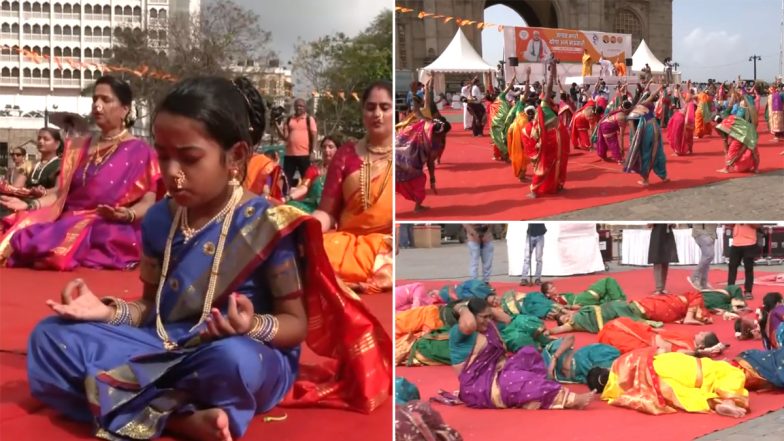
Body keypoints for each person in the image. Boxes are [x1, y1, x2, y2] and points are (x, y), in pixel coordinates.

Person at [25, 76, 391, 441]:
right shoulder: (157, 220)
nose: (171, 173)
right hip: (164, 343)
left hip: (239, 352)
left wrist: (250, 326)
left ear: (235, 157)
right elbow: (151, 308)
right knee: (50, 339)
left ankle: (129, 397)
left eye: (189, 158)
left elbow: (294, 325)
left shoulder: (265, 222)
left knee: (232, 362)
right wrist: (107, 312)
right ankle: (179, 420)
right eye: (164, 157)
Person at [0, 75, 160, 270]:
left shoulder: (141, 151)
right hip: (66, 219)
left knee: (105, 236)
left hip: (109, 224)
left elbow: (148, 201)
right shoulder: (78, 148)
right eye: (95, 100)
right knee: (17, 227)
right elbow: (60, 194)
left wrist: (127, 214)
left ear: (125, 109)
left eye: (106, 100)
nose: (97, 106)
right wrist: (29, 205)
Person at [311, 81, 393, 294]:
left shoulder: (406, 153)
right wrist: (305, 230)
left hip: (389, 245)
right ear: (362, 111)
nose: (377, 114)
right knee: (305, 251)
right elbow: (327, 212)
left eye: (385, 107)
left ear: (395, 111)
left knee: (389, 257)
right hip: (348, 246)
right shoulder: (346, 154)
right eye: (370, 107)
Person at [450, 298, 595, 410]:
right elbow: (469, 324)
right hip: (478, 386)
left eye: (489, 316)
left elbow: (506, 318)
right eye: (484, 317)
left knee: (529, 353)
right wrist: (462, 306)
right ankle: (571, 400)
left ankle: (530, 397)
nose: (488, 320)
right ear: (470, 315)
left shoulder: (488, 326)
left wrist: (484, 308)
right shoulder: (459, 333)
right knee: (517, 380)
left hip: (497, 372)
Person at [589, 349, 749, 418]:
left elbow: (646, 403)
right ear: (605, 369)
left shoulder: (617, 396)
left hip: (662, 385)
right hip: (670, 365)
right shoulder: (622, 361)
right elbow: (658, 350)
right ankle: (728, 398)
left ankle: (715, 402)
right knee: (730, 371)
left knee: (686, 396)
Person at [396, 79, 449, 212]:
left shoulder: (429, 129)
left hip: (407, 161)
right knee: (418, 180)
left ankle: (417, 205)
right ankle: (417, 206)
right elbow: (417, 109)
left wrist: (427, 89)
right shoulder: (424, 124)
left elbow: (425, 103)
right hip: (406, 159)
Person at [525, 58, 568, 198]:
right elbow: (549, 86)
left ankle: (556, 185)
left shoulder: (549, 108)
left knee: (557, 164)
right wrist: (552, 69)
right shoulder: (543, 106)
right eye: (550, 97)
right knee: (546, 165)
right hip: (549, 140)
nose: (552, 98)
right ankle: (535, 189)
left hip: (556, 140)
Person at [0, 128, 63, 218]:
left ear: (57, 144)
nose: (41, 141)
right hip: (24, 205)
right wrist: (6, 187)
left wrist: (44, 192)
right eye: (39, 138)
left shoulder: (62, 164)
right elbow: (17, 187)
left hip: (47, 210)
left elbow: (59, 189)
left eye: (46, 139)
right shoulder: (31, 165)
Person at [597, 317, 723, 356]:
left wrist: (704, 352)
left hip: (647, 346)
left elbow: (683, 354)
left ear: (701, 345)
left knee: (613, 336)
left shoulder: (689, 348)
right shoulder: (689, 338)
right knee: (621, 322)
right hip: (648, 334)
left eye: (702, 335)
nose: (700, 332)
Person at [624, 88, 669, 186]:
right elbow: (652, 96)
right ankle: (664, 176)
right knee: (658, 151)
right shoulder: (640, 105)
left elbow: (634, 134)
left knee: (644, 154)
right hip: (655, 127)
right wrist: (660, 87)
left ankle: (645, 179)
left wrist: (633, 147)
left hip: (647, 131)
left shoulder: (631, 116)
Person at [285, 135, 338, 213]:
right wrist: (288, 198)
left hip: (334, 209)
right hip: (311, 207)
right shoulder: (314, 169)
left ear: (338, 149)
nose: (326, 150)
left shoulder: (343, 170)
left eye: (330, 147)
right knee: (288, 207)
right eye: (324, 147)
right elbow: (304, 187)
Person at [541, 335, 620, 384]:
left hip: (588, 355)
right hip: (588, 374)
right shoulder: (541, 371)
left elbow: (570, 337)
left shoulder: (551, 347)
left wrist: (555, 358)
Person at [275, 98, 318, 187]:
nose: (299, 108)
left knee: (306, 179)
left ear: (305, 108)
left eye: (301, 106)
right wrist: (277, 126)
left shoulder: (309, 119)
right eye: (297, 106)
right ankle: (284, 197)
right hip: (290, 155)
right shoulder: (289, 119)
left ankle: (307, 197)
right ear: (294, 107)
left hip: (304, 155)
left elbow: (314, 136)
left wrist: (313, 152)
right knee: (286, 179)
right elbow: (285, 137)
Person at [548, 300, 652, 335]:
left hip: (600, 310)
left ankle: (634, 310)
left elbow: (572, 310)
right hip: (599, 320)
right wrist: (547, 331)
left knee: (614, 305)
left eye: (565, 316)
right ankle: (643, 321)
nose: (566, 318)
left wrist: (561, 309)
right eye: (564, 320)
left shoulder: (578, 313)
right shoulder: (571, 325)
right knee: (615, 309)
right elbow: (557, 329)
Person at [727, 224, 759, 300]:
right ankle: (730, 290)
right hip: (736, 243)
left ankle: (748, 291)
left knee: (748, 268)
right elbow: (729, 224)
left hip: (750, 243)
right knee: (732, 267)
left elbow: (758, 225)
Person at [668, 81, 696, 155]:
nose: (686, 96)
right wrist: (687, 85)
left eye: (688, 95)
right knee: (685, 136)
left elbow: (688, 114)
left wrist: (686, 123)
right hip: (684, 119)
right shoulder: (688, 102)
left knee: (681, 135)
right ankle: (687, 150)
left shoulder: (691, 104)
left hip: (685, 121)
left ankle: (680, 151)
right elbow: (682, 97)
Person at [648, 224, 678, 295]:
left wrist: (672, 223)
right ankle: (658, 288)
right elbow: (649, 225)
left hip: (668, 236)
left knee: (665, 261)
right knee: (657, 261)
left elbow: (675, 225)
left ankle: (663, 288)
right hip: (657, 236)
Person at [687, 223, 718, 290]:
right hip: (701, 231)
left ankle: (703, 282)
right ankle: (695, 277)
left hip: (711, 233)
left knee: (707, 257)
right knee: (709, 255)